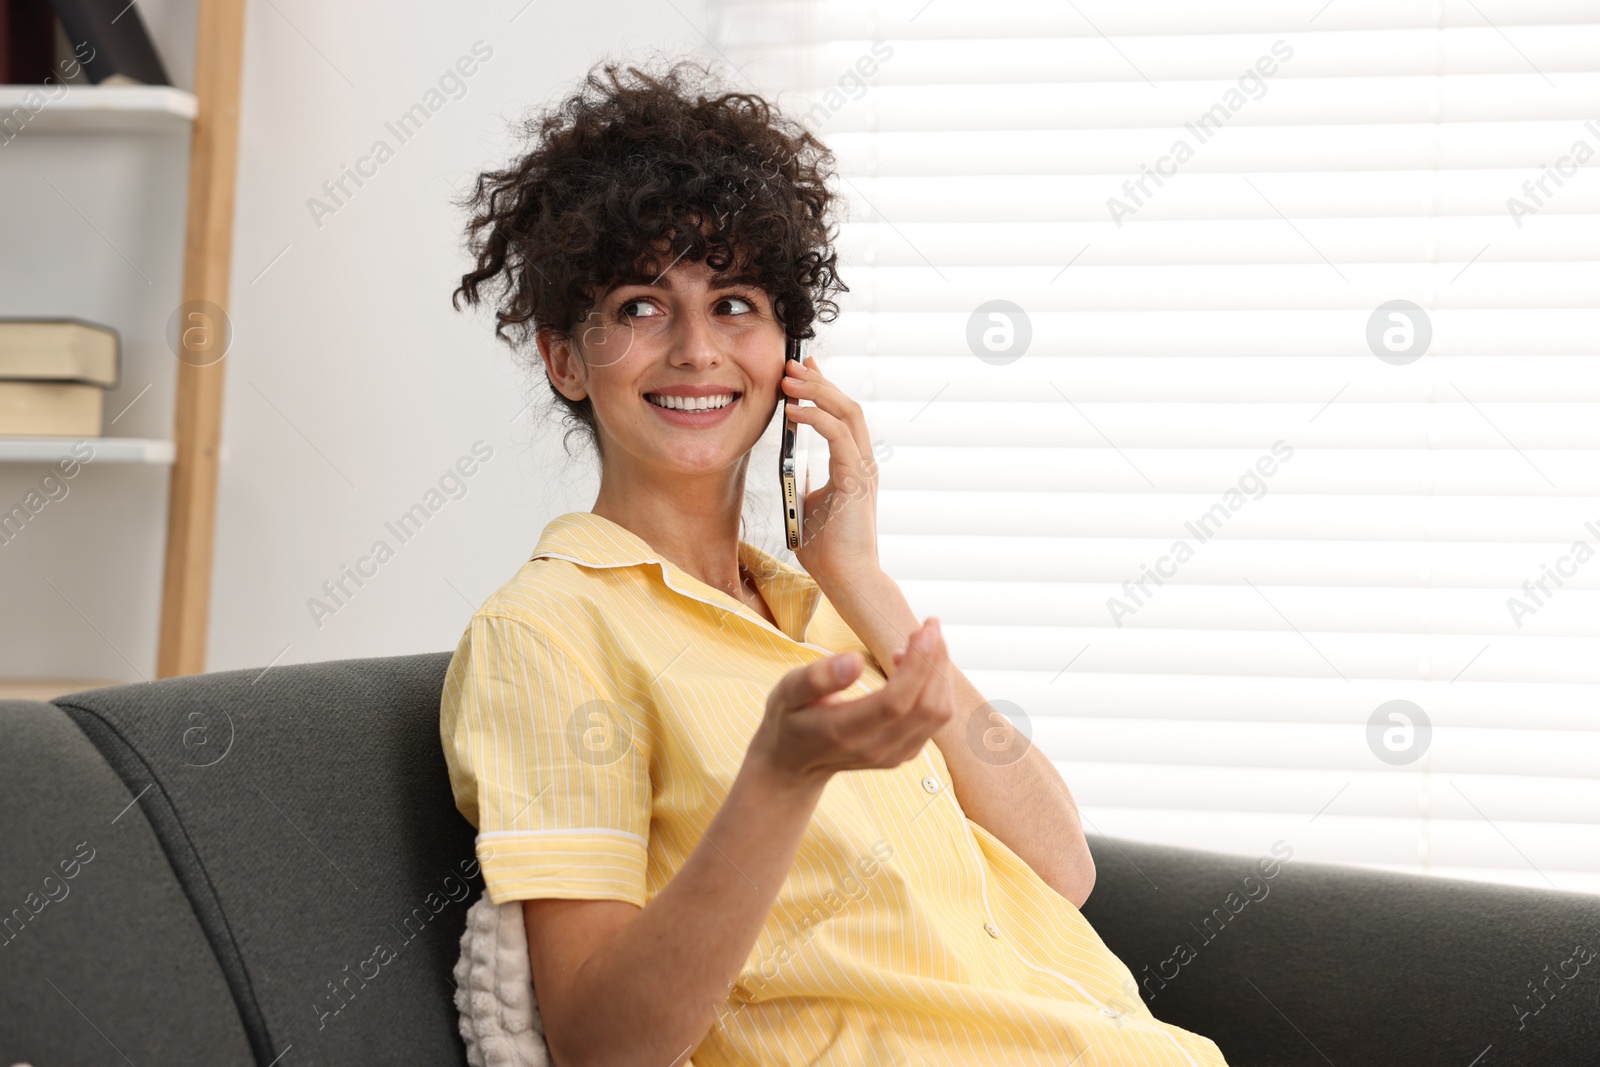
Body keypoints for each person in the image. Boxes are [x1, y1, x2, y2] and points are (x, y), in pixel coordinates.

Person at [440, 56, 1230, 1067]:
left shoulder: (821, 603)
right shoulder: (546, 632)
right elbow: (604, 1043)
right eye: (641, 305)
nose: (694, 348)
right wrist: (778, 777)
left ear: (790, 357)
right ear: (564, 357)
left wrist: (862, 576)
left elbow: (1059, 863)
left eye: (734, 303)